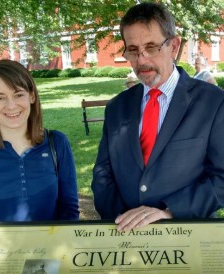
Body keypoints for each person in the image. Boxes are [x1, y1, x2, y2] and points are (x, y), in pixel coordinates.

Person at [92, 2, 224, 232]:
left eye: (151, 47)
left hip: (186, 235)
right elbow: (103, 173)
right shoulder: (117, 107)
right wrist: (123, 221)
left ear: (173, 46)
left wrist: (169, 213)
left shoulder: (213, 102)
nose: (141, 60)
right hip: (125, 236)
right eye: (133, 50)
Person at [0, 60, 79, 243]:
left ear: (31, 96)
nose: (11, 105)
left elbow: (69, 210)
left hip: (51, 258)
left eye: (18, 94)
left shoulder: (57, 143)